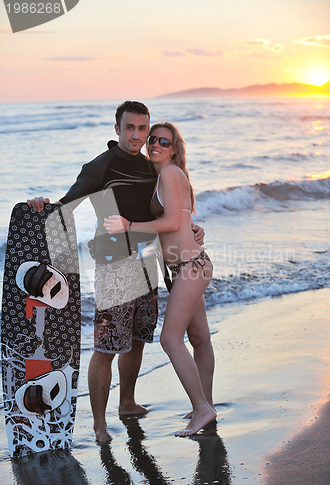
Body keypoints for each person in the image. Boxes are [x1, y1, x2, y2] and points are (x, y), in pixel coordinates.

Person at [27, 102, 204, 443]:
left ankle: (127, 402)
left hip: (148, 263)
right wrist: (42, 204)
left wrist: (192, 229)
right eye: (130, 128)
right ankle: (99, 425)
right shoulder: (100, 167)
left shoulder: (152, 166)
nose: (137, 135)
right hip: (114, 268)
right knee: (107, 346)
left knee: (138, 340)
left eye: (142, 128)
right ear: (117, 129)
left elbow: (169, 210)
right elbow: (66, 207)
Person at [104, 122, 216, 436]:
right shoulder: (167, 175)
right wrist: (194, 229)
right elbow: (184, 220)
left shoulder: (169, 173)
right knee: (200, 339)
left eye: (162, 141)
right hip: (189, 266)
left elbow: (170, 221)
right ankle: (205, 405)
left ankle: (202, 409)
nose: (154, 144)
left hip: (190, 266)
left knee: (170, 339)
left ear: (174, 147)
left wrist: (128, 225)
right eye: (152, 139)